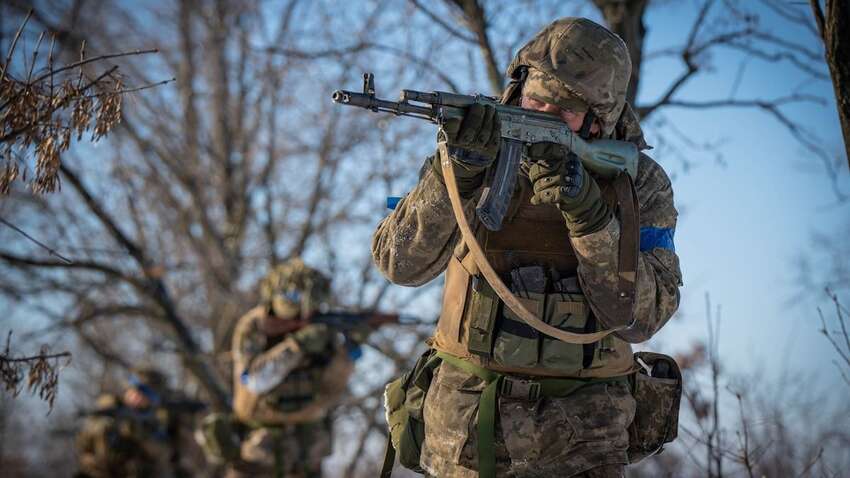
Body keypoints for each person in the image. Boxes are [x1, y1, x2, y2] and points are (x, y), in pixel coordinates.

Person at [372, 17, 682, 478]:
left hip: (585, 439)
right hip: (465, 431)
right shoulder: (470, 153)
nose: (540, 117)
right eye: (534, 101)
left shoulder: (640, 184)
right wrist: (456, 173)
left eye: (562, 114)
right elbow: (398, 262)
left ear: (598, 123)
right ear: (517, 90)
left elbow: (646, 316)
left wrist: (591, 219)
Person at [223, 258, 357, 478]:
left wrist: (350, 352)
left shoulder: (323, 328)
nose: (303, 309)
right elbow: (255, 380)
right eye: (293, 298)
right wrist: (297, 346)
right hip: (260, 448)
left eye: (311, 301)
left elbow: (331, 390)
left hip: (308, 446)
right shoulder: (254, 325)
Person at [75, 367, 201, 478]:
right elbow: (87, 451)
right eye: (134, 390)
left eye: (145, 394)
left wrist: (143, 436)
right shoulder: (110, 412)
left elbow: (172, 456)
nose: (136, 397)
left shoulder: (165, 420)